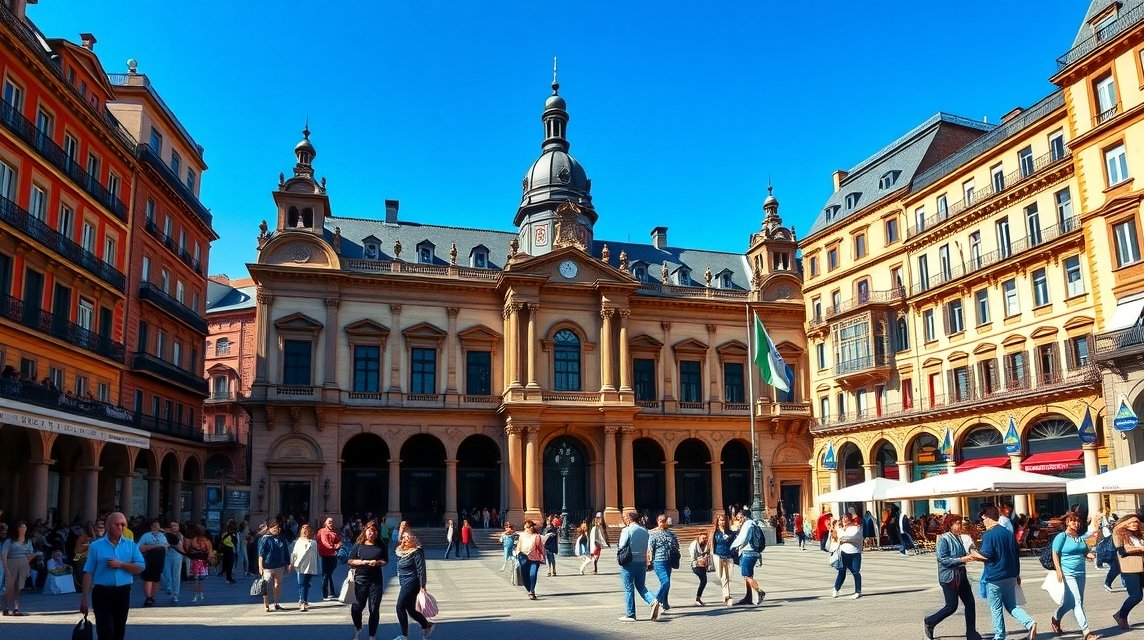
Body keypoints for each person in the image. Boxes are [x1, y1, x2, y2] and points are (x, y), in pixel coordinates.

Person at [971, 503, 1036, 640]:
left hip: (995, 576)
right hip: (1010, 575)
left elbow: (986, 555)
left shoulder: (989, 535)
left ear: (987, 517)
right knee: (1012, 605)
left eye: (983, 519)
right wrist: (1017, 574)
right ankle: (1030, 622)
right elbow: (1015, 554)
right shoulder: (1008, 533)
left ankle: (999, 636)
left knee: (996, 608)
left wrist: (974, 554)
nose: (983, 522)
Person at [79, 512, 144, 640]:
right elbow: (88, 572)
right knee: (104, 630)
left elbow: (141, 567)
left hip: (123, 591)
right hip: (102, 592)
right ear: (108, 525)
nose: (120, 527)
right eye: (117, 524)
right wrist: (84, 599)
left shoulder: (130, 545)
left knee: (119, 629)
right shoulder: (96, 546)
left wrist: (122, 564)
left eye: (123, 524)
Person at [923, 519, 980, 640]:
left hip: (961, 574)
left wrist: (971, 554)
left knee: (970, 603)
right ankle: (930, 621)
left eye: (960, 523)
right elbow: (942, 559)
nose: (960, 525)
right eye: (957, 523)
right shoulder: (944, 539)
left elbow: (962, 553)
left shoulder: (958, 537)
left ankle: (971, 633)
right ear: (950, 525)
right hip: (949, 577)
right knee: (951, 606)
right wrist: (961, 560)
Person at [1049, 511, 1097, 639]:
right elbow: (1055, 553)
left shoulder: (1079, 537)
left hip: (1081, 572)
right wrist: (1059, 571)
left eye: (1077, 521)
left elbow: (1084, 551)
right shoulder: (1061, 536)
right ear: (1066, 522)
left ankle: (1056, 618)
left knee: (1070, 602)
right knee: (1077, 601)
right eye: (1072, 520)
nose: (1075, 523)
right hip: (1067, 572)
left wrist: (1089, 555)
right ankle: (1086, 632)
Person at [616, 510, 661, 622]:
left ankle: (630, 614)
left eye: (625, 518)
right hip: (641, 562)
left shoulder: (627, 530)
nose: (624, 520)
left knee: (628, 588)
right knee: (641, 586)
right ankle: (653, 601)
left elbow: (622, 545)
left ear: (629, 519)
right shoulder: (645, 531)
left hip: (629, 561)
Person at [348, 522, 387, 640]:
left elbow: (385, 560)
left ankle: (372, 636)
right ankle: (358, 626)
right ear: (365, 531)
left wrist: (378, 562)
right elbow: (350, 561)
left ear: (377, 533)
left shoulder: (380, 545)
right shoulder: (358, 545)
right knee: (357, 608)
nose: (372, 533)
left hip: (376, 581)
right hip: (360, 580)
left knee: (374, 609)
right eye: (370, 530)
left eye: (374, 531)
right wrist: (362, 562)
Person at [392, 530, 434, 640]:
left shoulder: (417, 551)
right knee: (410, 609)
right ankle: (426, 625)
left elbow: (421, 569)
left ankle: (404, 636)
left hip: (412, 581)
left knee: (399, 607)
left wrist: (422, 586)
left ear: (413, 537)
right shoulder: (401, 551)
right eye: (404, 537)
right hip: (404, 581)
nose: (406, 539)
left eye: (408, 536)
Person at [1112, 513, 1143, 630]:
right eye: (1132, 522)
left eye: (1136, 522)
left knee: (1137, 596)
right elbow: (1122, 551)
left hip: (1142, 566)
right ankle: (1121, 615)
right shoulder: (1118, 533)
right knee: (1136, 596)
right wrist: (1140, 548)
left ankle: (1120, 614)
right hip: (1130, 568)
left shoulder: (1138, 534)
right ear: (1125, 523)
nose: (1135, 524)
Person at [730, 512, 766, 605]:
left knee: (746, 575)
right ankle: (748, 597)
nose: (739, 519)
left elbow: (741, 539)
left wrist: (732, 546)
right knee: (749, 576)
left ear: (744, 516)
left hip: (747, 553)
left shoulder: (747, 524)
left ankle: (759, 591)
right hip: (755, 553)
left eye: (740, 517)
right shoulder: (753, 523)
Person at [648, 514, 679, 613]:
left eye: (664, 521)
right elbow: (650, 548)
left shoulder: (671, 534)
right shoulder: (652, 533)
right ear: (657, 521)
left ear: (667, 521)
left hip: (669, 561)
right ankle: (656, 601)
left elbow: (676, 546)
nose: (662, 522)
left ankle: (665, 603)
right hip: (658, 561)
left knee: (666, 583)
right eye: (660, 521)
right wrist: (648, 560)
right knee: (666, 582)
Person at [1, 521, 33, 616]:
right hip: (11, 563)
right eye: (21, 527)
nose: (23, 529)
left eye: (24, 527)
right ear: (16, 529)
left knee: (19, 588)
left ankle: (16, 608)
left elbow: (30, 554)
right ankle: (5, 607)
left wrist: (28, 561)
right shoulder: (9, 541)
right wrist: (6, 569)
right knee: (10, 588)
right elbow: (4, 555)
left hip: (23, 564)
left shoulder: (28, 541)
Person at [257, 520, 289, 612]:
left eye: (278, 528)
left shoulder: (282, 539)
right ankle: (266, 604)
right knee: (265, 585)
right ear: (270, 528)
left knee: (277, 585)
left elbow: (286, 551)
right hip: (267, 567)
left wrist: (287, 563)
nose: (277, 529)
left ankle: (276, 603)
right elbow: (261, 554)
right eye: (275, 528)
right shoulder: (265, 539)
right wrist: (260, 566)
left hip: (279, 565)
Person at [136, 518, 167, 607]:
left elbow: (165, 546)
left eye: (158, 526)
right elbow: (139, 547)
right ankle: (148, 597)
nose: (157, 527)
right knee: (148, 578)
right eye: (155, 526)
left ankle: (152, 596)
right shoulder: (146, 535)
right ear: (151, 527)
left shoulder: (162, 535)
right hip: (149, 559)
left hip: (160, 559)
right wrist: (154, 546)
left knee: (156, 578)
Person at [831, 513, 863, 599]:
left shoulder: (856, 527)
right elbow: (839, 537)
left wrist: (842, 536)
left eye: (845, 519)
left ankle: (858, 591)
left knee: (856, 572)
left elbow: (852, 536)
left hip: (855, 553)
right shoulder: (842, 528)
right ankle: (836, 589)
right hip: (843, 552)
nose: (843, 520)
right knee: (841, 571)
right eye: (843, 519)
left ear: (850, 519)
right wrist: (841, 535)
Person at [290, 523, 319, 611]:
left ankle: (303, 599)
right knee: (302, 584)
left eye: (307, 529)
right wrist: (291, 564)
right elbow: (294, 554)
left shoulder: (313, 542)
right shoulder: (298, 541)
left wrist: (316, 567)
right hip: (300, 565)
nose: (305, 530)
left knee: (305, 584)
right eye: (303, 528)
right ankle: (303, 601)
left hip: (310, 566)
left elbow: (315, 556)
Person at [514, 519, 546, 600]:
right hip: (523, 557)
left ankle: (532, 591)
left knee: (533, 574)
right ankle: (529, 589)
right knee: (524, 577)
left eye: (528, 527)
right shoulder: (522, 535)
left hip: (535, 558)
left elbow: (541, 548)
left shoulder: (537, 536)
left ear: (532, 527)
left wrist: (542, 557)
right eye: (526, 527)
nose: (527, 529)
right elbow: (519, 544)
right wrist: (517, 552)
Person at [184, 526, 212, 604]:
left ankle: (197, 594)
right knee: (199, 580)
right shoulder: (206, 541)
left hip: (195, 562)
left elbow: (188, 550)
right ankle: (199, 593)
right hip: (202, 562)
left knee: (196, 580)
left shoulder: (193, 540)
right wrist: (209, 561)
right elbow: (210, 552)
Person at [317, 516, 343, 601]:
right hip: (325, 555)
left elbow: (339, 541)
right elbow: (325, 543)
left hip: (332, 555)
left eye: (332, 522)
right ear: (325, 523)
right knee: (325, 575)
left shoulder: (333, 532)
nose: (331, 524)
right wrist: (335, 546)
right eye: (329, 522)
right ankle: (325, 594)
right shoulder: (322, 532)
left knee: (329, 573)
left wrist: (337, 545)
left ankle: (331, 591)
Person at [160, 521, 184, 605]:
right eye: (172, 526)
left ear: (178, 527)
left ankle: (175, 594)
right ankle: (168, 588)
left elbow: (181, 546)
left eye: (176, 526)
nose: (174, 527)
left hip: (177, 556)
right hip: (167, 555)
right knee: (165, 573)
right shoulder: (164, 535)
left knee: (176, 575)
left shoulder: (180, 535)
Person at [689, 530, 712, 606]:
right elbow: (692, 556)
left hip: (703, 565)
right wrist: (698, 560)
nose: (705, 540)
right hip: (695, 565)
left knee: (704, 581)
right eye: (703, 538)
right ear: (699, 537)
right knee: (703, 580)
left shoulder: (706, 544)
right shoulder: (694, 544)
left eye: (706, 538)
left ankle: (698, 598)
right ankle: (697, 599)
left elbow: (708, 554)